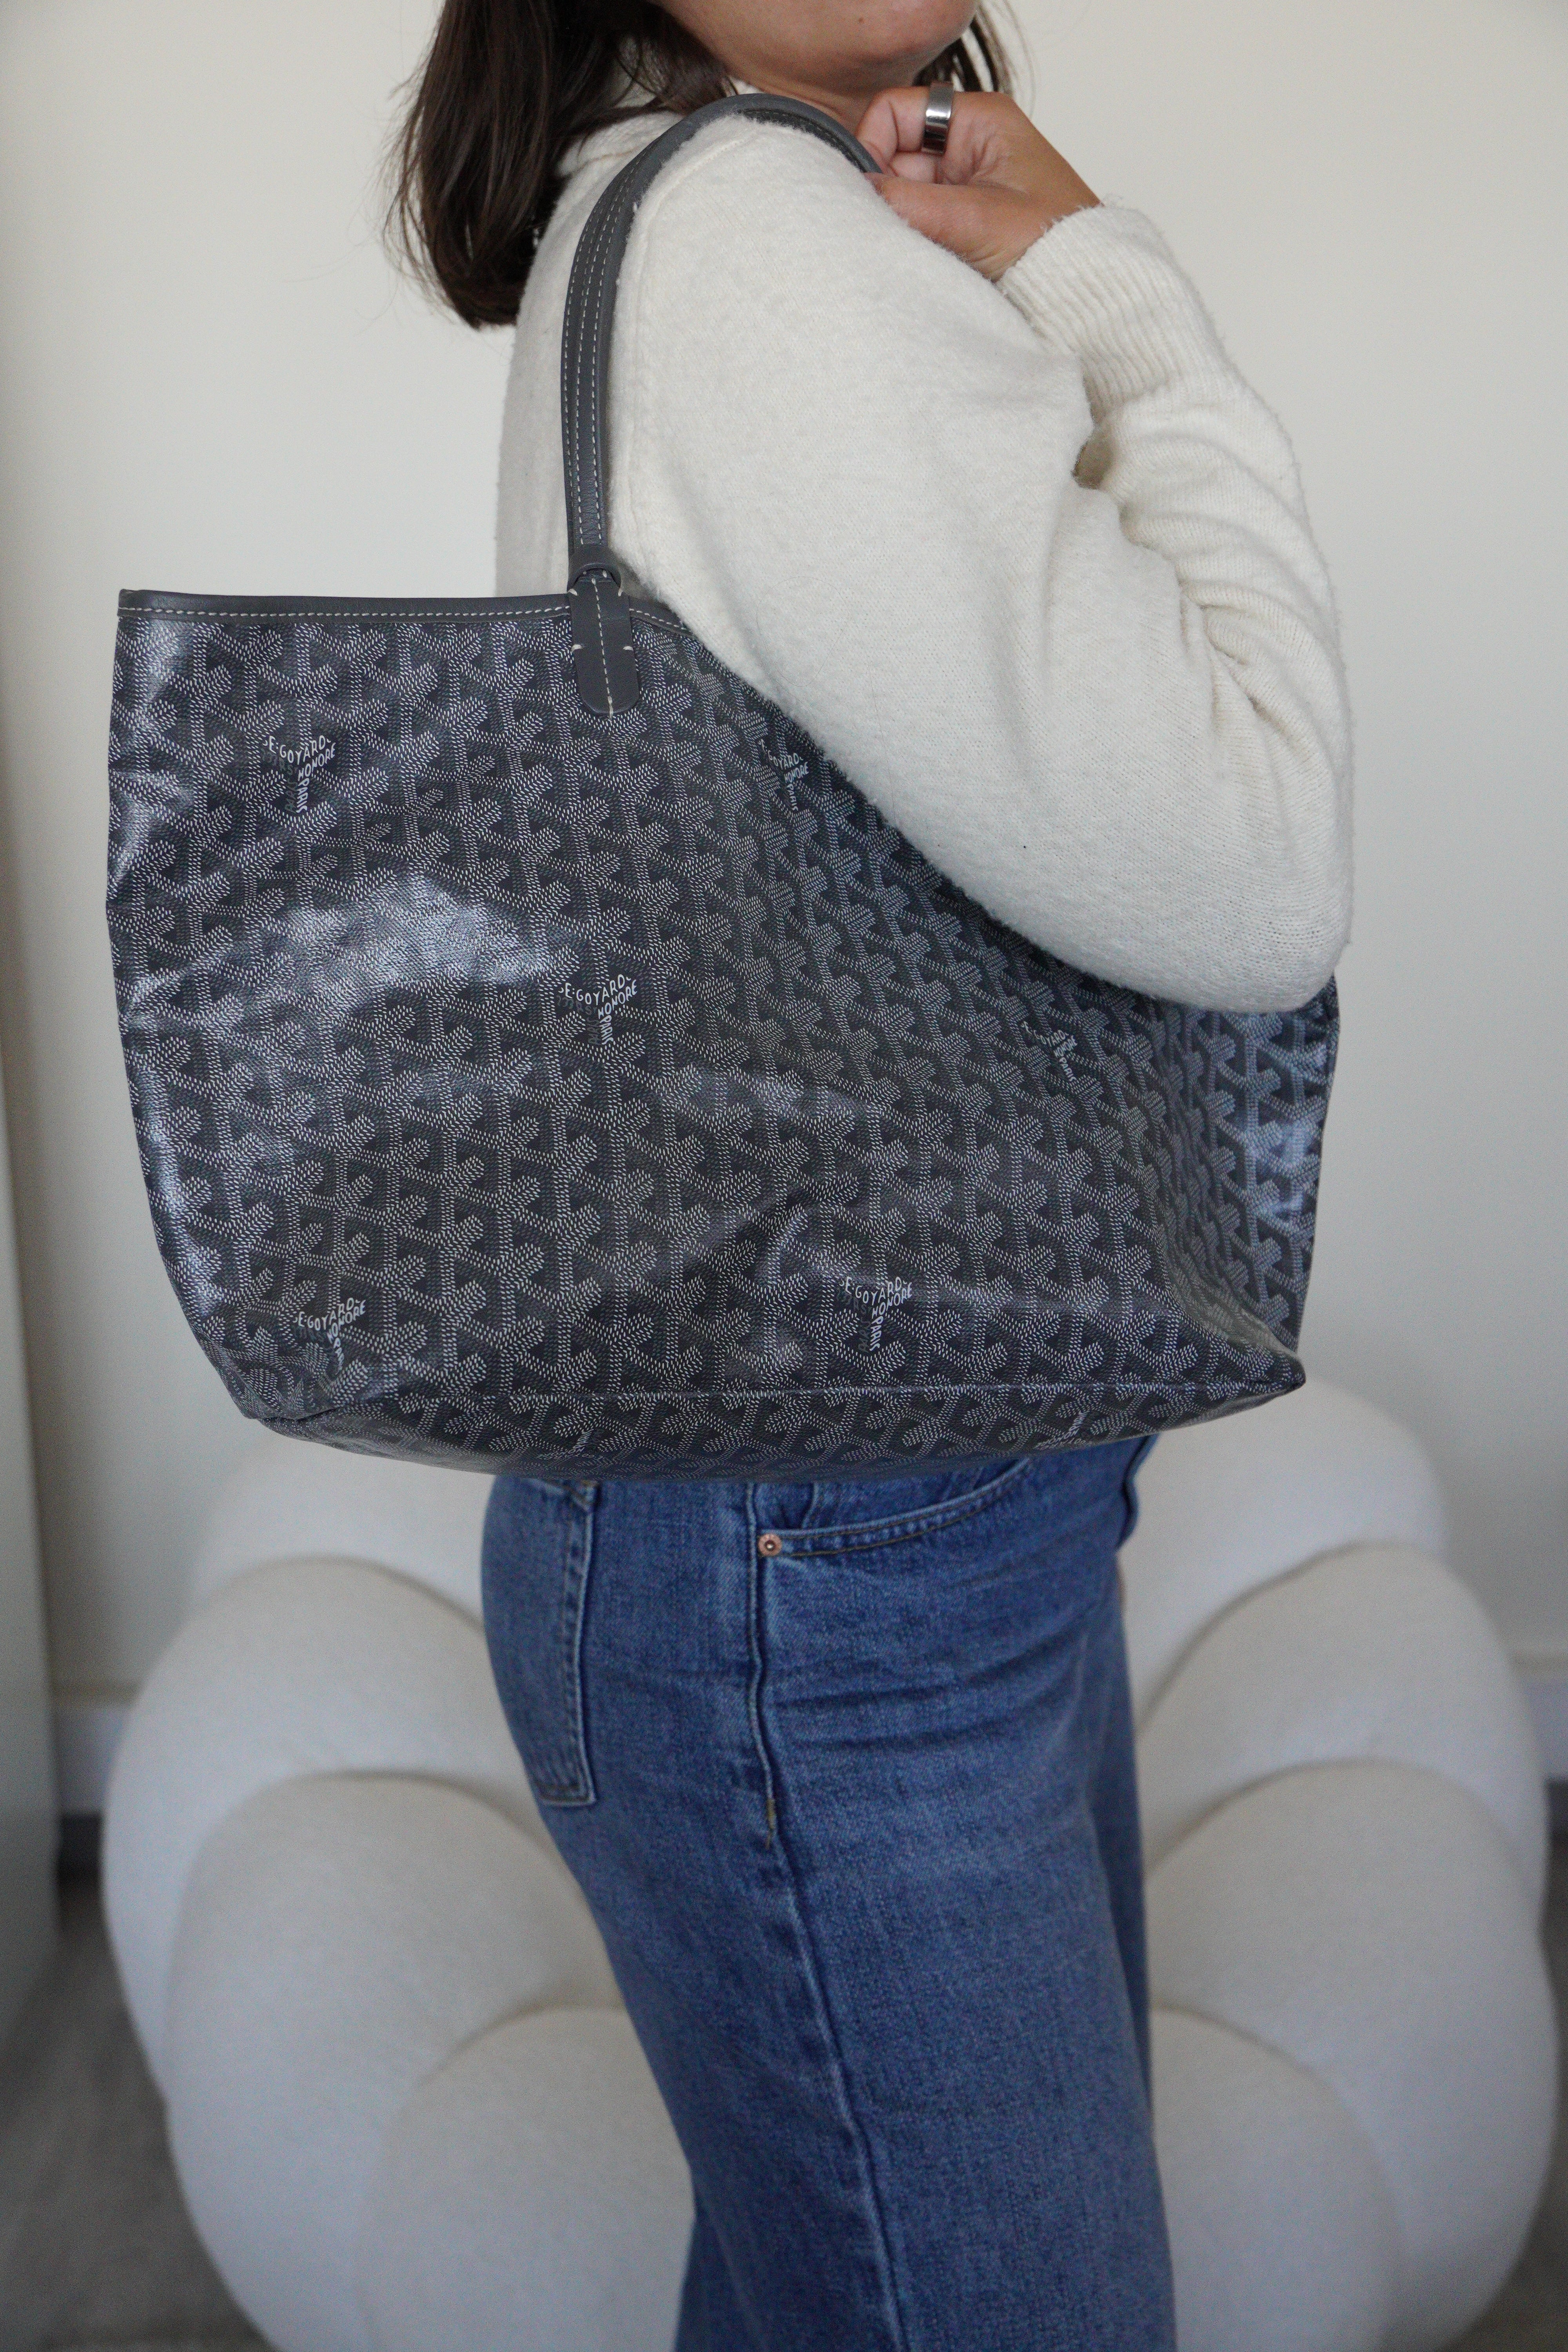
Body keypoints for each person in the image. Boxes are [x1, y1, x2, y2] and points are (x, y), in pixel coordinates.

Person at [391, 6, 1352, 2345]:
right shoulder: (760, 247)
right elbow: (1260, 864)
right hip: (821, 1561)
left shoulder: (678, 206)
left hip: (819, 1515)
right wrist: (1116, 296)